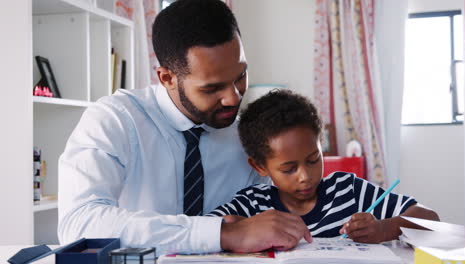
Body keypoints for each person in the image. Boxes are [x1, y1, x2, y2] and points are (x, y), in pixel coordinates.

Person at [57, 0, 311, 256]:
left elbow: (279, 211)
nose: (233, 98)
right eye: (212, 88)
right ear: (167, 78)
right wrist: (220, 233)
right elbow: (79, 223)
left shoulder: (248, 136)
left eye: (240, 77)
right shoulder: (115, 120)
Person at [208, 89, 440, 243]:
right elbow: (206, 229)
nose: (305, 176)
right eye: (289, 169)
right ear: (260, 167)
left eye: (313, 160)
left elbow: (429, 218)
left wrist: (383, 229)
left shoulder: (349, 191)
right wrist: (240, 228)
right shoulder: (253, 203)